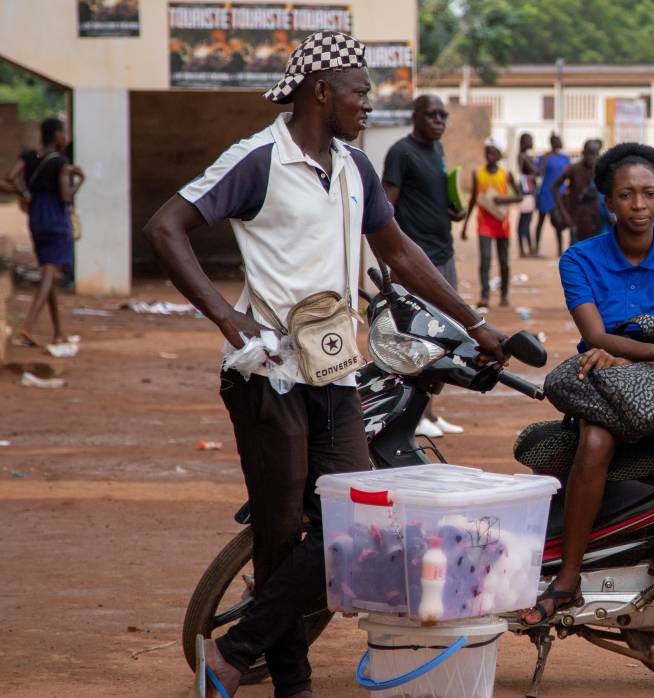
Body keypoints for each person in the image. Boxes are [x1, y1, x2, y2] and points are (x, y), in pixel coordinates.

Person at [142, 32, 509, 698]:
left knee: (356, 518)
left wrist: (475, 321)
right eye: (361, 92)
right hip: (269, 374)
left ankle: (234, 652)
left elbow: (399, 255)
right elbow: (165, 227)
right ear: (322, 92)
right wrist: (229, 319)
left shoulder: (354, 167)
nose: (370, 104)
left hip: (336, 372)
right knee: (281, 530)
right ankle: (292, 683)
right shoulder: (256, 160)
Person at [522, 143, 654, 624]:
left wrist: (628, 348)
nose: (639, 205)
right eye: (626, 195)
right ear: (607, 202)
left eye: (649, 193)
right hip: (604, 388)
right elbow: (593, 337)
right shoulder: (579, 260)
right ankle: (567, 580)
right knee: (594, 439)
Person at [383, 93, 469, 438]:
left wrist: (452, 211)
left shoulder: (438, 150)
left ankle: (429, 413)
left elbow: (429, 196)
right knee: (419, 336)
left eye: (443, 115)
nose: (438, 121)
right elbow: (386, 207)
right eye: (431, 114)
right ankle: (411, 415)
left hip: (443, 254)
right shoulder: (401, 153)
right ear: (415, 116)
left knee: (444, 335)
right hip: (417, 261)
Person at [5, 118, 84, 347]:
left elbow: (12, 176)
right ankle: (28, 325)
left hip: (36, 215)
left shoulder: (29, 157)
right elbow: (66, 196)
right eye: (64, 133)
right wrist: (80, 180)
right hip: (56, 217)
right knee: (50, 273)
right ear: (57, 135)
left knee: (48, 273)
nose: (66, 137)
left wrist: (25, 192)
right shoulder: (61, 162)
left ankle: (58, 332)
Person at [461, 137, 523, 308]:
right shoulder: (478, 173)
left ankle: (504, 294)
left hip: (502, 223)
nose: (490, 156)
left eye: (494, 153)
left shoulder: (506, 174)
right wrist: (465, 225)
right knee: (485, 260)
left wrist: (502, 201)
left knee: (504, 261)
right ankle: (485, 295)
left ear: (499, 155)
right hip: (484, 224)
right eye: (488, 152)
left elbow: (519, 196)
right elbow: (473, 199)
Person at [553, 139, 604, 246]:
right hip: (576, 220)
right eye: (590, 154)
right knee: (576, 255)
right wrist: (564, 214)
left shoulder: (601, 170)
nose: (592, 158)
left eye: (595, 155)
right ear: (583, 153)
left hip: (596, 220)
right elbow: (555, 188)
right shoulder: (573, 169)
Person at [536, 133, 571, 255]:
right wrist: (545, 159)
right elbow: (538, 172)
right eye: (558, 140)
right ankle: (536, 248)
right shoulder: (544, 157)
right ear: (552, 142)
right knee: (540, 221)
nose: (560, 142)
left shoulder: (565, 158)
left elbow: (569, 175)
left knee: (558, 221)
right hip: (546, 193)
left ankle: (560, 249)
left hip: (559, 195)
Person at [516, 132, 540, 257]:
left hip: (527, 192)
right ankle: (528, 249)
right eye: (530, 140)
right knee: (525, 221)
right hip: (527, 192)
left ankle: (525, 249)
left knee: (524, 221)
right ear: (525, 142)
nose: (532, 142)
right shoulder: (524, 156)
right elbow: (536, 171)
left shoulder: (523, 156)